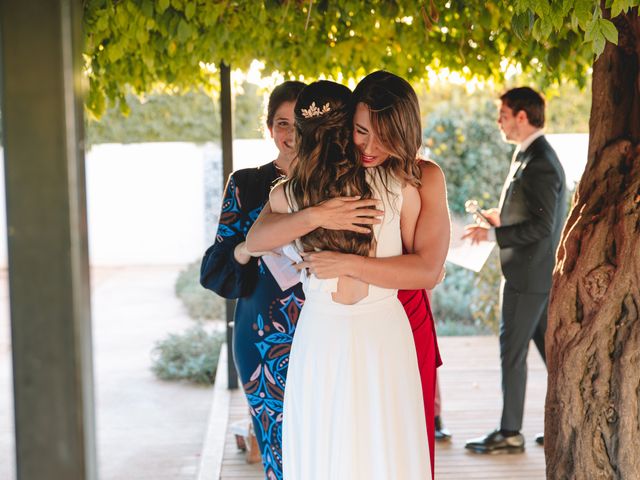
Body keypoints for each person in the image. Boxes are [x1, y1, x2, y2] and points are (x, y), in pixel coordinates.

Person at [246, 71, 450, 479]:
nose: (370, 146)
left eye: (383, 135)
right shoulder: (299, 189)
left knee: (389, 439)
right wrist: (317, 215)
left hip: (397, 309)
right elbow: (256, 239)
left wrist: (346, 263)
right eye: (360, 132)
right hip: (326, 327)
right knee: (329, 439)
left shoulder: (412, 179)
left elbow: (428, 267)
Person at [462, 86, 567, 453]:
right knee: (552, 355)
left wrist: (493, 233)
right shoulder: (530, 154)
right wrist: (499, 218)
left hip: (528, 276)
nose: (499, 122)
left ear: (522, 117)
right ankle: (565, 424)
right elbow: (533, 216)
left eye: (503, 114)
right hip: (529, 273)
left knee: (512, 352)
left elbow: (542, 227)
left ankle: (510, 432)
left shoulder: (540, 161)